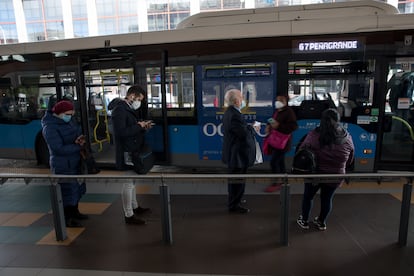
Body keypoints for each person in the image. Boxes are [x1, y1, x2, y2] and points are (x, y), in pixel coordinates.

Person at [296, 108, 354, 231]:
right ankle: (321, 222)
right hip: (336, 176)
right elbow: (350, 159)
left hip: (315, 174)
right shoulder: (347, 137)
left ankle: (304, 221)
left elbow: (303, 150)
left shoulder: (313, 135)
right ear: (338, 121)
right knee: (327, 199)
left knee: (308, 197)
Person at [41, 100, 88, 227]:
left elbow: (77, 130)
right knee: (67, 192)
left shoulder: (69, 121)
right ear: (59, 113)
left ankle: (75, 212)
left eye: (72, 114)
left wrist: (80, 138)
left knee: (77, 189)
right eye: (68, 114)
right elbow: (58, 148)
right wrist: (78, 147)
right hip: (62, 164)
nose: (70, 117)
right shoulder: (49, 127)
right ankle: (67, 219)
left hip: (75, 162)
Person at [110, 85, 152, 225]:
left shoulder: (127, 108)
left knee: (132, 182)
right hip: (126, 152)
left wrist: (142, 127)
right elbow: (121, 132)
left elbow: (130, 129)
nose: (139, 102)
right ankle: (129, 215)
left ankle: (135, 207)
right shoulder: (120, 110)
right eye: (139, 99)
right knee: (128, 183)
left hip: (132, 149)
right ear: (132, 96)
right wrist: (139, 126)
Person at [222, 89, 256, 214]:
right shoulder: (235, 115)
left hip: (235, 153)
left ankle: (235, 200)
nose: (242, 100)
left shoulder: (230, 113)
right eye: (241, 98)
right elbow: (242, 134)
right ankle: (234, 205)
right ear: (236, 100)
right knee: (237, 180)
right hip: (238, 155)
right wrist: (252, 129)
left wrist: (247, 127)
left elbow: (239, 130)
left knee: (235, 180)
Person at [264, 95, 298, 192]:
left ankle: (276, 182)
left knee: (274, 162)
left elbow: (293, 126)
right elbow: (272, 120)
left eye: (281, 100)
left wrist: (279, 126)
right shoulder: (278, 111)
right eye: (277, 100)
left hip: (283, 143)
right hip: (276, 141)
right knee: (280, 162)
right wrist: (268, 125)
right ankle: (284, 180)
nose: (278, 102)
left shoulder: (289, 112)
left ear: (286, 102)